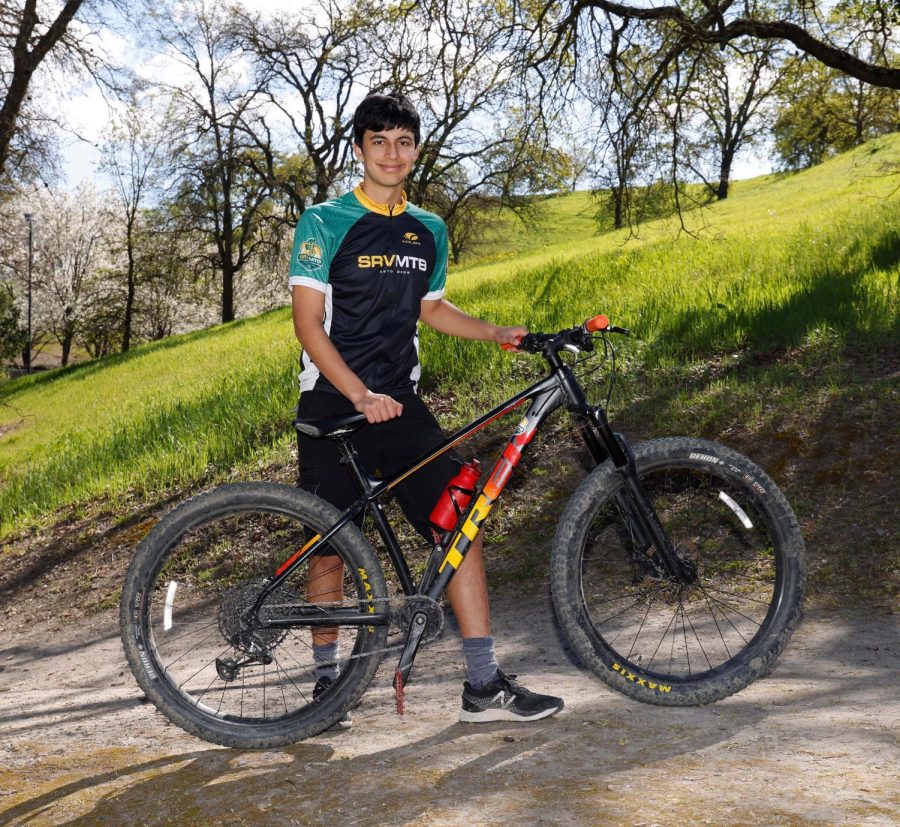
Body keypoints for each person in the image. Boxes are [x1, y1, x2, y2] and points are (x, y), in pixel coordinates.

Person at [289, 91, 564, 727]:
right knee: (329, 548)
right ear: (358, 148)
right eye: (378, 141)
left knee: (459, 525)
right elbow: (308, 325)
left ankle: (483, 683)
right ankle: (326, 691)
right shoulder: (324, 222)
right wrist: (358, 393)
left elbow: (431, 309)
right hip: (335, 401)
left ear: (416, 151)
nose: (392, 153)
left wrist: (495, 331)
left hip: (403, 404)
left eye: (403, 142)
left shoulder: (429, 230)